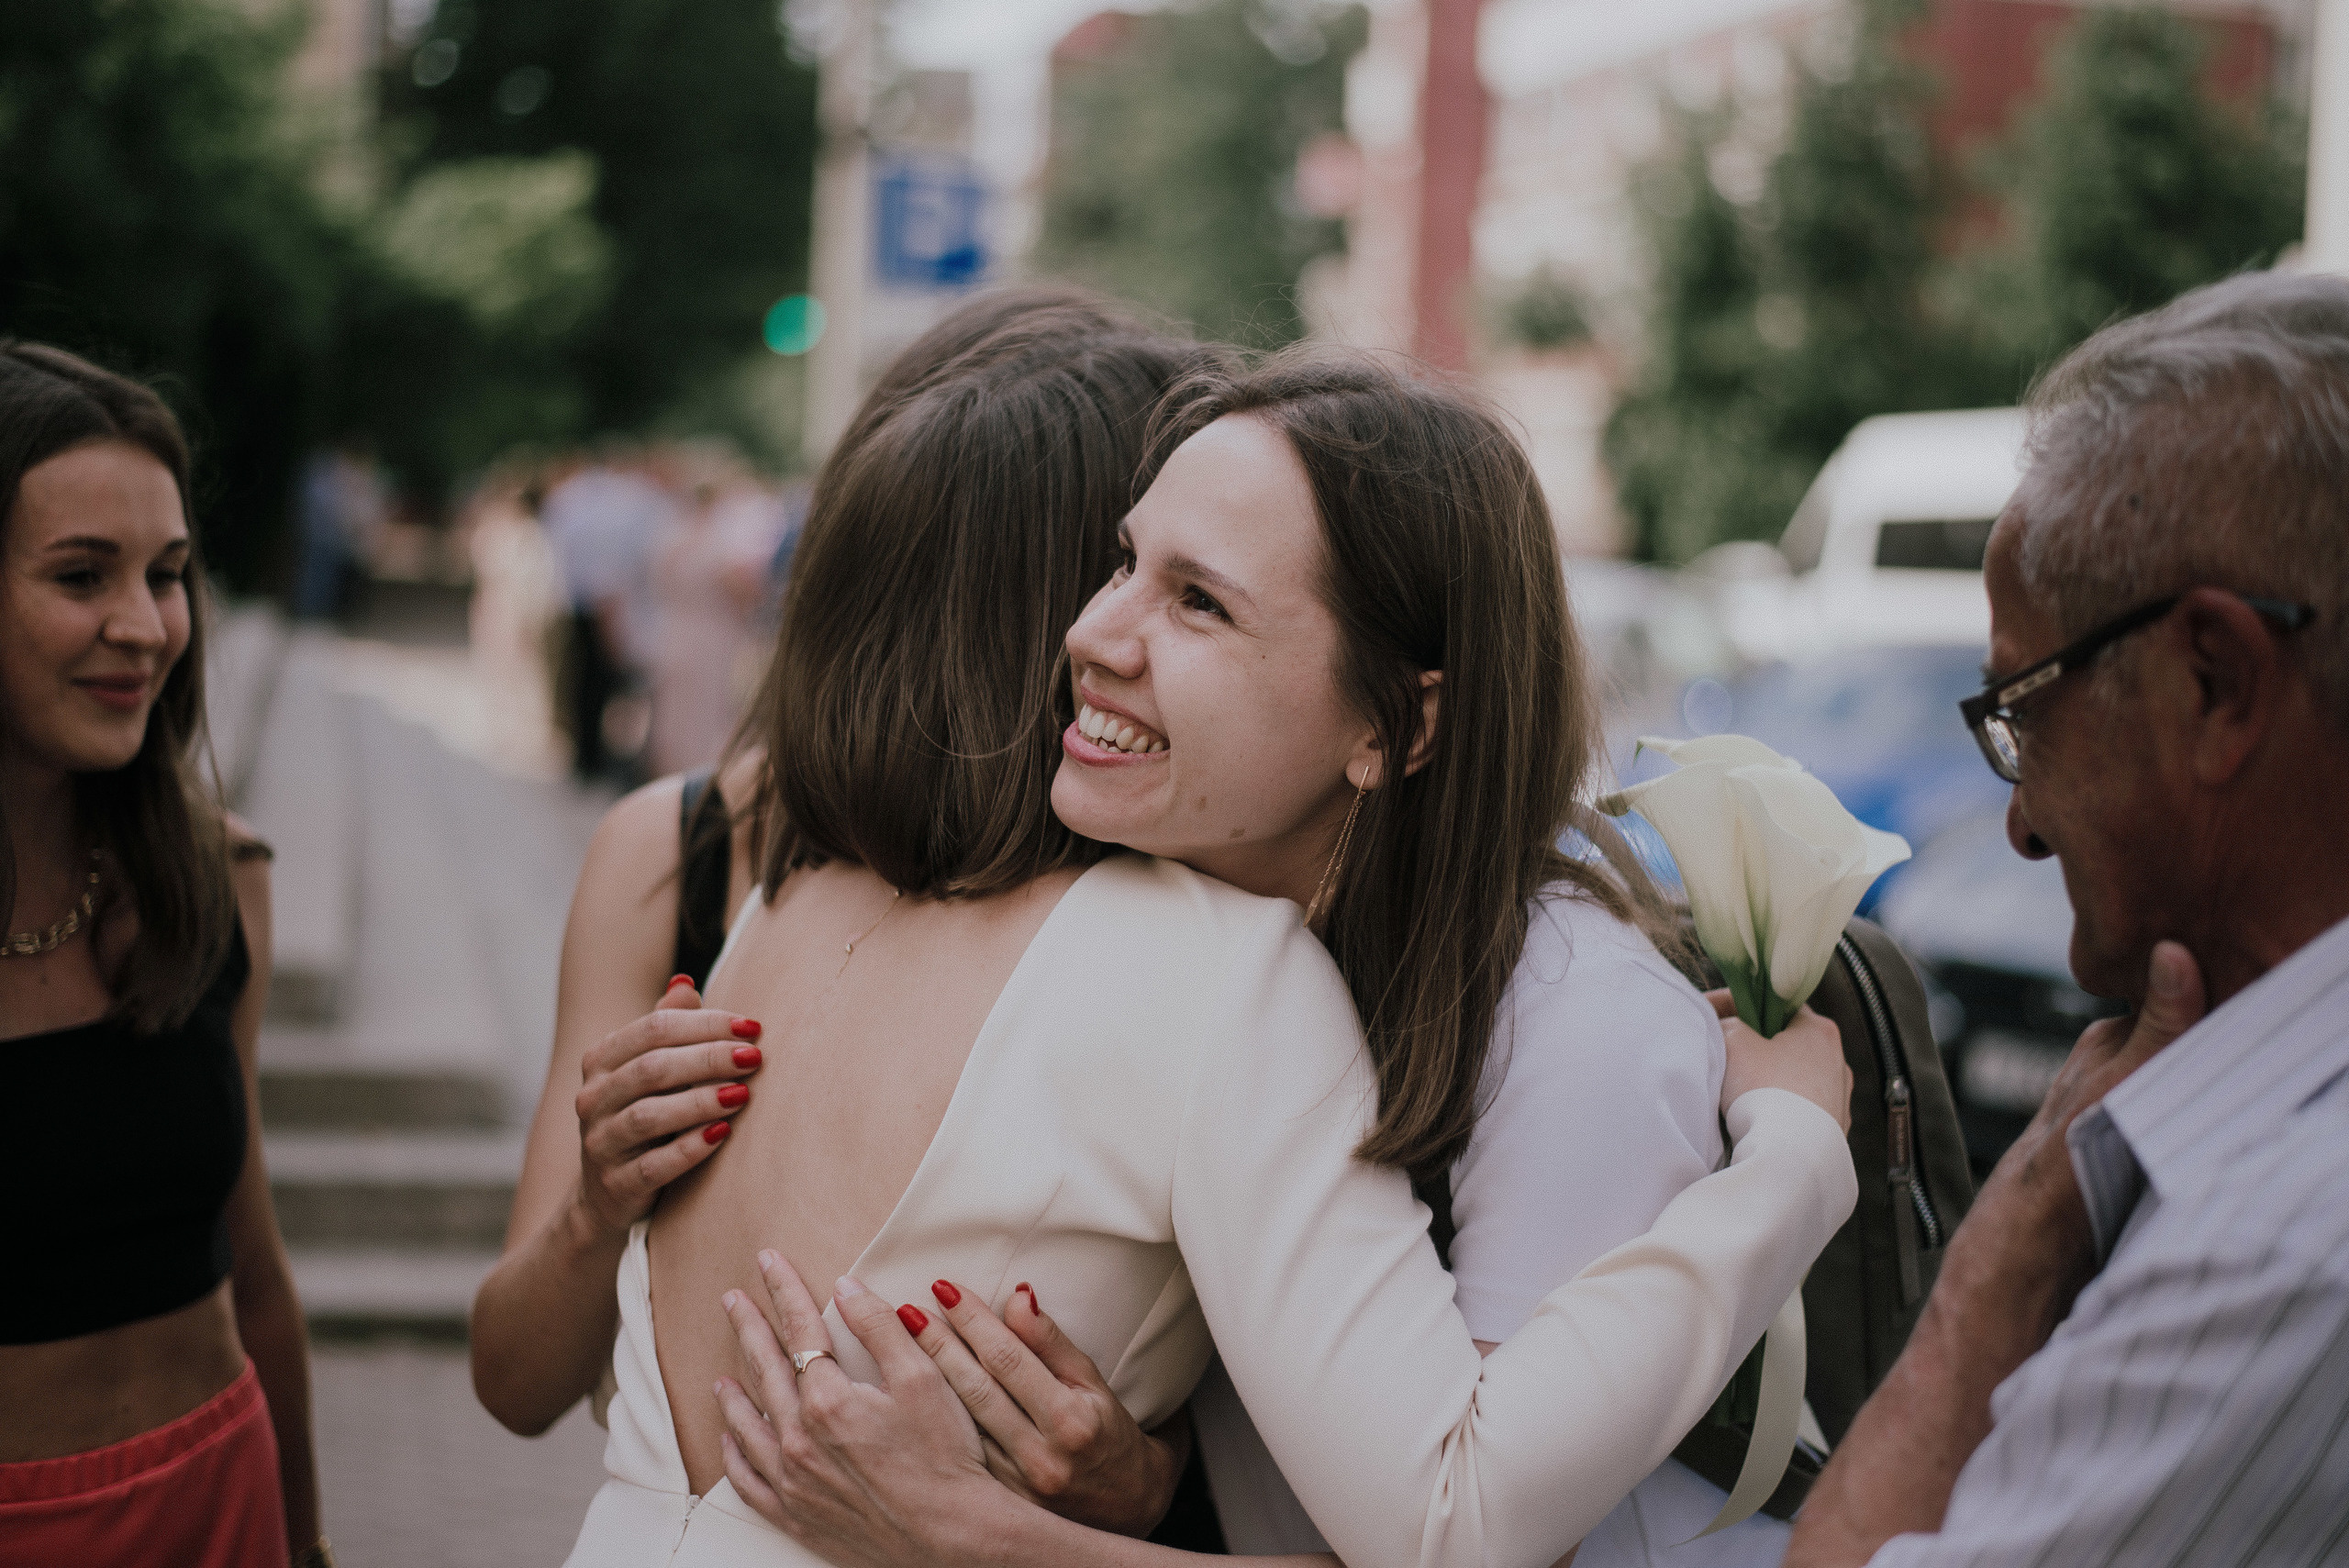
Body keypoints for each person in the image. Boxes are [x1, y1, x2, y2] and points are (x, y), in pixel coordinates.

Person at [559, 341, 1856, 1568]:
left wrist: (1796, 1157)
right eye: (1124, 563)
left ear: (1399, 723)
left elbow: (1466, 1529)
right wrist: (1143, 1476)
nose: (1093, 634)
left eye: (1199, 603)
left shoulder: (1563, 1014)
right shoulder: (1171, 933)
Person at [471, 289, 1214, 1442]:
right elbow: (515, 1379)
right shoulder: (680, 855)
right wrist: (593, 1204)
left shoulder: (1184, 902)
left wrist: (1149, 1473)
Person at [1775, 271, 2349, 1565]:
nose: (2022, 823)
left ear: (2214, 684)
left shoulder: (2278, 1255)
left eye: (2025, 706)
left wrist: (2008, 1248)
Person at [0, 343, 325, 1565]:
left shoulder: (214, 880)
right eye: (83, 575)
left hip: (219, 1502)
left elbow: (256, 1273)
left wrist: (307, 1543)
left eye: (170, 575)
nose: (145, 627)